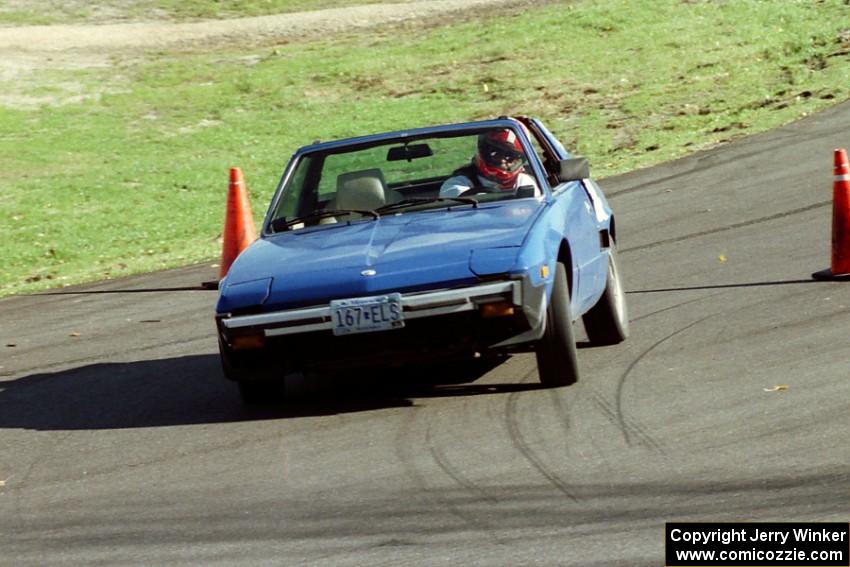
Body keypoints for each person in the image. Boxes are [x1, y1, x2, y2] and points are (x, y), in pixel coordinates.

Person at [440, 128, 539, 198]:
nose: (502, 160)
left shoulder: (525, 182)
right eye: (495, 152)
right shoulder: (456, 184)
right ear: (483, 151)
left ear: (520, 159)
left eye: (510, 156)